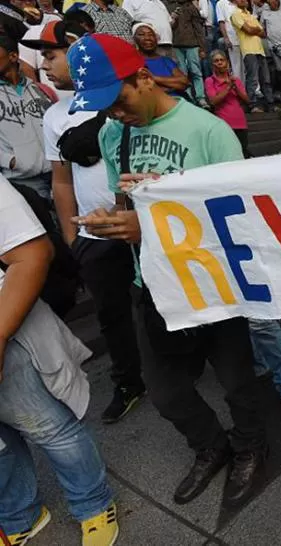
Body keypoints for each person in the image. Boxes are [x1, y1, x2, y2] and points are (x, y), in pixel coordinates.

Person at [68, 32, 268, 508]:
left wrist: (151, 226)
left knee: (237, 381)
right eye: (105, 108)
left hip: (211, 282)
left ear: (142, 76)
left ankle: (249, 446)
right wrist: (117, 218)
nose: (114, 114)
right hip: (153, 283)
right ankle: (210, 446)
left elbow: (238, 218)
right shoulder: (114, 131)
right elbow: (126, 198)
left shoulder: (208, 131)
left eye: (118, 101)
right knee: (165, 390)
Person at [27, 19, 148, 425]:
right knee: (112, 315)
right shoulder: (54, 117)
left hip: (145, 226)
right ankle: (129, 381)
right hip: (93, 233)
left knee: (157, 302)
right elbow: (61, 181)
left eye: (51, 54)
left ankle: (185, 363)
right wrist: (71, 234)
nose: (44, 64)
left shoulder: (124, 97)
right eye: (41, 56)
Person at [0, 174, 120, 546]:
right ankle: (20, 514)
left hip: (7, 329)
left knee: (49, 427)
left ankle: (92, 505)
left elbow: (31, 253)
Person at [0, 34, 54, 200]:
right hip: (20, 180)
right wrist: (10, 161)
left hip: (56, 174)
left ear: (13, 56)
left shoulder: (40, 90)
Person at [205, 48, 252, 155]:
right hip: (224, 125)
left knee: (243, 153)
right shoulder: (210, 81)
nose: (220, 62)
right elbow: (213, 101)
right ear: (212, 64)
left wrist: (235, 87)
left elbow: (247, 100)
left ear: (227, 62)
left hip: (241, 123)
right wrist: (228, 87)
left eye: (222, 60)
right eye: (216, 61)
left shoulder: (236, 80)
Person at [231, 0, 275, 112]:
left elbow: (264, 33)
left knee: (266, 79)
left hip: (260, 50)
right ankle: (252, 105)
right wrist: (255, 29)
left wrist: (253, 30)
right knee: (253, 79)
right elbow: (249, 30)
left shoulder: (250, 15)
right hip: (249, 50)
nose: (244, 1)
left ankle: (270, 104)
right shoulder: (235, 14)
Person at [167, 0, 207, 105]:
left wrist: (202, 47)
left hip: (192, 44)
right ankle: (187, 96)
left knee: (195, 70)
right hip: (176, 44)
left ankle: (200, 97)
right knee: (182, 72)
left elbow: (198, 29)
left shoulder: (191, 8)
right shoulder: (170, 6)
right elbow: (168, 27)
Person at [134, 22, 191, 97]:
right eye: (141, 34)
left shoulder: (166, 61)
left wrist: (153, 78)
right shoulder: (134, 62)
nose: (147, 38)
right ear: (134, 39)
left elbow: (184, 83)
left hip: (179, 101)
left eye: (151, 34)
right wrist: (173, 84)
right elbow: (145, 89)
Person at [216, 0, 243, 80]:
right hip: (232, 39)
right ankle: (239, 88)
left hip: (245, 39)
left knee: (247, 66)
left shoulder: (239, 2)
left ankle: (251, 89)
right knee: (236, 67)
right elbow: (221, 22)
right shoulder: (221, 3)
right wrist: (226, 38)